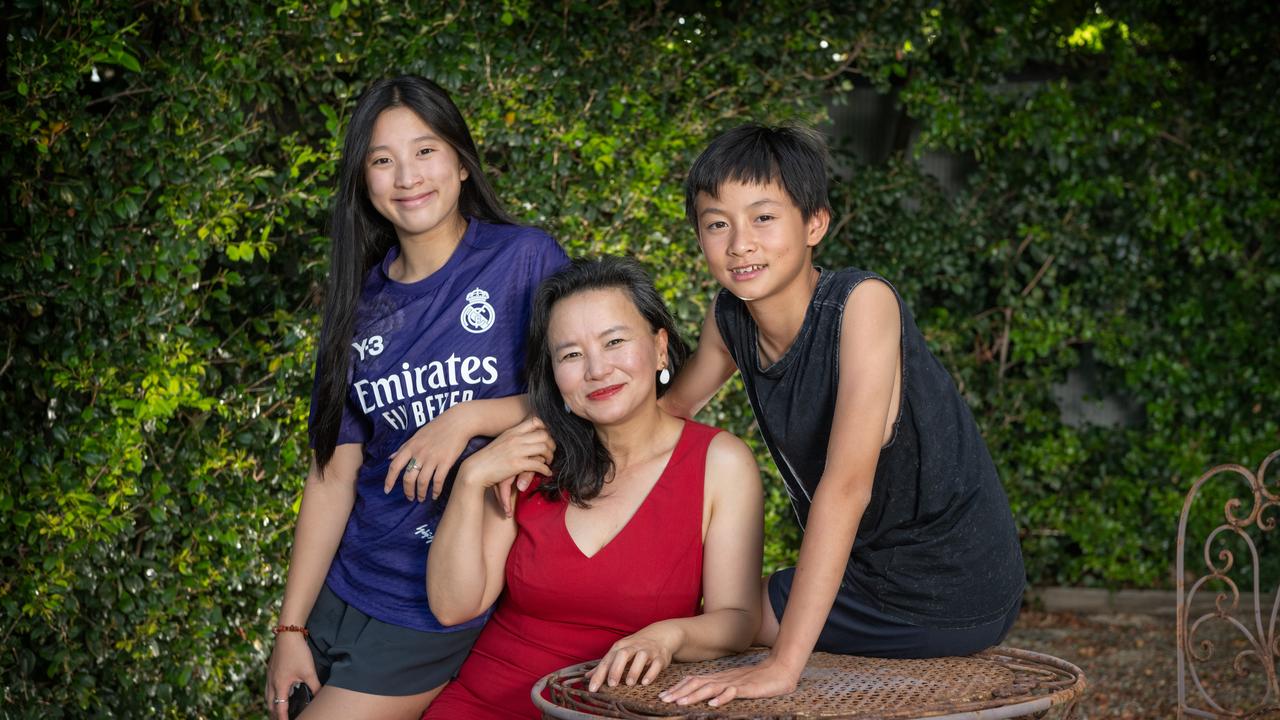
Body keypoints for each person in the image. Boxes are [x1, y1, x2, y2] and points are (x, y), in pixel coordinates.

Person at [655, 124, 1026, 708]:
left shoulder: (861, 305)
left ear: (814, 225)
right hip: (867, 570)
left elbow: (847, 486)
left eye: (763, 218)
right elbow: (664, 415)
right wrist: (554, 429)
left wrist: (782, 666)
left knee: (722, 620)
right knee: (711, 611)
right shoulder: (731, 320)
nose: (739, 243)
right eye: (716, 223)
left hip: (949, 586)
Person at [263, 76, 568, 720]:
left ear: (460, 161)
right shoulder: (356, 305)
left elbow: (581, 397)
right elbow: (333, 475)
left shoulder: (524, 259)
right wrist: (289, 630)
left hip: (430, 603)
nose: (407, 176)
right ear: (364, 182)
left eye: (425, 150)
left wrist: (469, 419)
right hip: (343, 584)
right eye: (382, 159)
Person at [421, 257, 764, 718]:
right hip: (485, 702)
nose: (597, 370)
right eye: (571, 354)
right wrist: (470, 480)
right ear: (555, 378)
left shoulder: (720, 463)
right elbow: (452, 606)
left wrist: (670, 635)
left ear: (660, 348)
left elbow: (738, 621)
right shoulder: (531, 459)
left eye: (615, 341)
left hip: (612, 709)